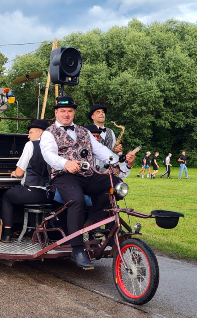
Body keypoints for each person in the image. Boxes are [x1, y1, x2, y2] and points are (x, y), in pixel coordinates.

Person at [40, 96, 135, 268]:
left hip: (88, 174)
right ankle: (77, 249)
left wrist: (119, 159)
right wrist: (66, 163)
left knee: (116, 184)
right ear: (56, 112)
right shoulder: (49, 133)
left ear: (74, 112)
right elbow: (49, 155)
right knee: (77, 199)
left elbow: (100, 150)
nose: (66, 114)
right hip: (64, 176)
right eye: (62, 111)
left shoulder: (84, 131)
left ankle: (93, 219)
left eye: (70, 110)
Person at [0, 119, 51, 242]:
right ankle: (32, 231)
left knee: (6, 196)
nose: (28, 136)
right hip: (48, 194)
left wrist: (15, 173)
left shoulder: (30, 145)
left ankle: (7, 233)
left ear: (40, 133)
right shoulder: (53, 146)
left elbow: (19, 172)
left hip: (31, 192)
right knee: (18, 192)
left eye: (31, 132)